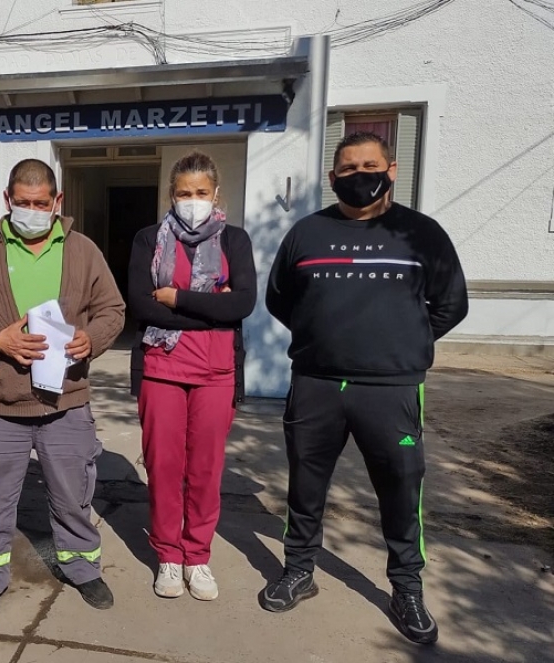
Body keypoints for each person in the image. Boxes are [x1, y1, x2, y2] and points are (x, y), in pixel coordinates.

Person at [262, 132, 469, 644]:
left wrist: (400, 343)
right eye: (348, 168)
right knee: (305, 487)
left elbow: (451, 304)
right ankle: (299, 569)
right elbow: (280, 299)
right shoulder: (306, 233)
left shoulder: (423, 234)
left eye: (369, 165)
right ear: (333, 179)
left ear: (391, 169)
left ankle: (406, 587)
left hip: (392, 390)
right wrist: (325, 340)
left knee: (401, 491)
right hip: (316, 385)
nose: (360, 175)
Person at [0, 158, 125, 621]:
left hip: (67, 400)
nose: (31, 211)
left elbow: (113, 310)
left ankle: (81, 566)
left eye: (40, 204)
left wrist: (92, 339)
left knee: (72, 492)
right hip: (1, 402)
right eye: (22, 203)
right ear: (7, 200)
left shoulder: (82, 251)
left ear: (57, 202)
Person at [127, 151, 257, 600]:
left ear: (216, 194)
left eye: (201, 193)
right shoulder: (149, 240)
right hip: (161, 369)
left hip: (216, 371)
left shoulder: (235, 241)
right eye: (184, 193)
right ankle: (168, 555)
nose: (193, 200)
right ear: (171, 195)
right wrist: (211, 309)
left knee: (205, 470)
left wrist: (177, 299)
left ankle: (197, 556)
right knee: (164, 467)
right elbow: (141, 305)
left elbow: (242, 305)